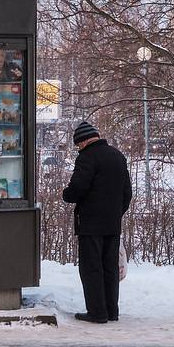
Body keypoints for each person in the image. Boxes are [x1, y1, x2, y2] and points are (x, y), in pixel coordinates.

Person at [62, 121, 132, 324]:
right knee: (110, 267)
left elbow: (77, 188)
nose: (78, 148)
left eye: (78, 145)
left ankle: (97, 312)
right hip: (112, 224)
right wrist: (116, 213)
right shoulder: (117, 156)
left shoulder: (87, 158)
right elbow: (127, 193)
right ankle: (112, 311)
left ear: (83, 142)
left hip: (90, 224)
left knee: (91, 268)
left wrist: (66, 194)